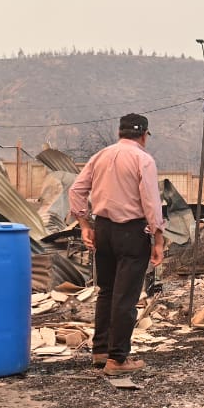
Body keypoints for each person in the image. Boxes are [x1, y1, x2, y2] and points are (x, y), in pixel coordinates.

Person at [69, 113, 164, 375]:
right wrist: (158, 239)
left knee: (107, 291)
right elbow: (151, 202)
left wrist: (85, 225)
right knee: (125, 296)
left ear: (119, 133)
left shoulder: (100, 156)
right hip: (131, 230)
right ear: (144, 135)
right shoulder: (143, 159)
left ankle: (100, 350)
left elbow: (76, 190)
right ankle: (118, 359)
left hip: (103, 229)